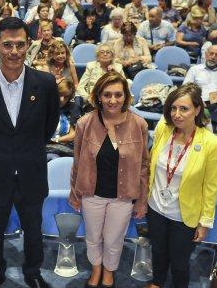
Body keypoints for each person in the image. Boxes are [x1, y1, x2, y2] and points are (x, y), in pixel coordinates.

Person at [0, 17, 59, 288]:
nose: (14, 51)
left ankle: (33, 272)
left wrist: (24, 151)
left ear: (29, 45)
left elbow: (48, 127)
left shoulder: (46, 83)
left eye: (19, 45)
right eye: (7, 45)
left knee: (33, 230)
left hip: (32, 169)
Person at [69, 72, 149, 287]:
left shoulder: (139, 124)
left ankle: (109, 271)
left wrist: (142, 200)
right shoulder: (85, 123)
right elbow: (77, 161)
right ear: (98, 97)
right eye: (107, 95)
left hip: (122, 197)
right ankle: (96, 270)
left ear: (126, 97)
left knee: (114, 240)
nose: (112, 100)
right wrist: (74, 194)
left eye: (118, 95)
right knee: (93, 237)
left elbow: (143, 165)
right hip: (91, 193)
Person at [146, 83, 217, 288]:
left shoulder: (211, 143)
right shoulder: (164, 129)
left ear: (197, 110)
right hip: (155, 207)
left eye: (184, 108)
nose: (177, 114)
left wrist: (205, 222)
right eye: (173, 108)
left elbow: (211, 187)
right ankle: (157, 283)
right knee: (158, 253)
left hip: (183, 214)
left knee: (180, 263)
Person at [183, 45, 217, 122]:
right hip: (200, 103)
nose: (213, 57)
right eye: (211, 53)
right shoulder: (194, 70)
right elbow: (185, 88)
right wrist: (197, 100)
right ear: (206, 54)